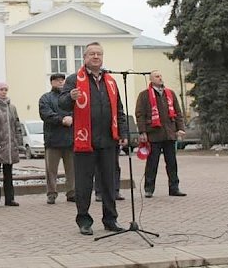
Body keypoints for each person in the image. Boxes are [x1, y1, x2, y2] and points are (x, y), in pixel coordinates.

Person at [59, 42, 126, 236]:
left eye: (99, 54)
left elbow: (118, 109)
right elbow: (62, 105)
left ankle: (110, 219)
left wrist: (121, 132)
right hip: (84, 141)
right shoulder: (74, 80)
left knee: (108, 182)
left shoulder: (110, 81)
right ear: (85, 57)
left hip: (107, 140)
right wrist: (70, 97)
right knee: (84, 183)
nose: (96, 57)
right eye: (92, 54)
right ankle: (84, 220)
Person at [135, 70, 186, 198]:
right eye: (157, 76)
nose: (160, 78)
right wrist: (142, 131)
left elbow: (178, 113)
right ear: (151, 80)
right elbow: (140, 115)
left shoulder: (170, 93)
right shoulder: (144, 95)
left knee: (172, 163)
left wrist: (180, 128)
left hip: (169, 133)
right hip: (154, 134)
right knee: (152, 163)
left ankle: (174, 188)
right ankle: (149, 189)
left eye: (161, 76)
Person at [38, 73, 75, 204]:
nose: (60, 83)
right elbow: (46, 114)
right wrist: (62, 120)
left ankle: (72, 192)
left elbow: (78, 111)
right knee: (51, 170)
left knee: (71, 169)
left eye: (62, 80)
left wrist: (72, 118)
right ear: (51, 82)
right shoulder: (45, 98)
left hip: (70, 139)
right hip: (52, 140)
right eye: (57, 81)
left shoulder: (71, 98)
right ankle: (51, 193)